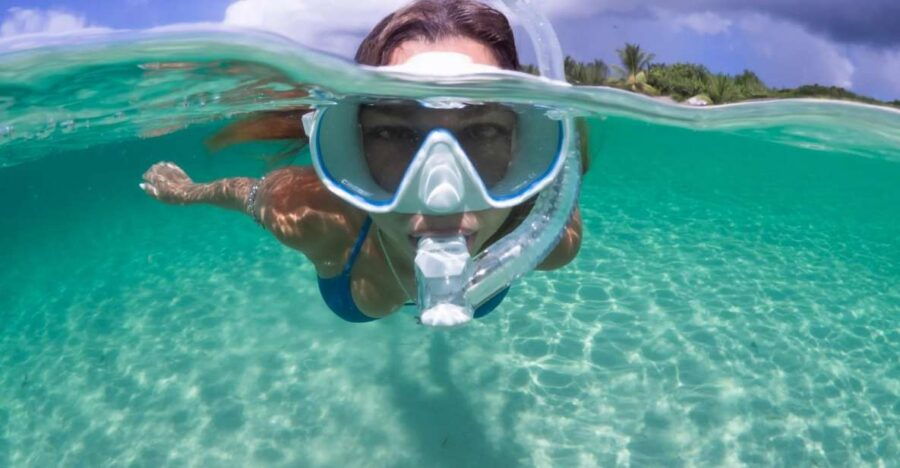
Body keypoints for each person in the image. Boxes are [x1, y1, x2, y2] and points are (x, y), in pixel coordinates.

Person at [140, 0, 583, 323]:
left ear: (528, 147)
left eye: (483, 130)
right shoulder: (313, 217)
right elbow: (246, 195)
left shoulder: (548, 237)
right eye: (391, 132)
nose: (440, 192)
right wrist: (187, 192)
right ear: (350, 145)